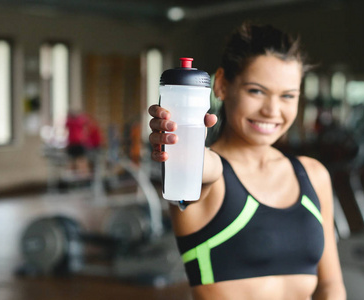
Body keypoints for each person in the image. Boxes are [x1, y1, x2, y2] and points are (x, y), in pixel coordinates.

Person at [148, 22, 346, 300]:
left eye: (288, 96)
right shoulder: (207, 173)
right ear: (221, 84)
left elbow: (331, 285)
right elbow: (204, 169)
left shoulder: (313, 175)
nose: (272, 110)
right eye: (256, 91)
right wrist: (182, 143)